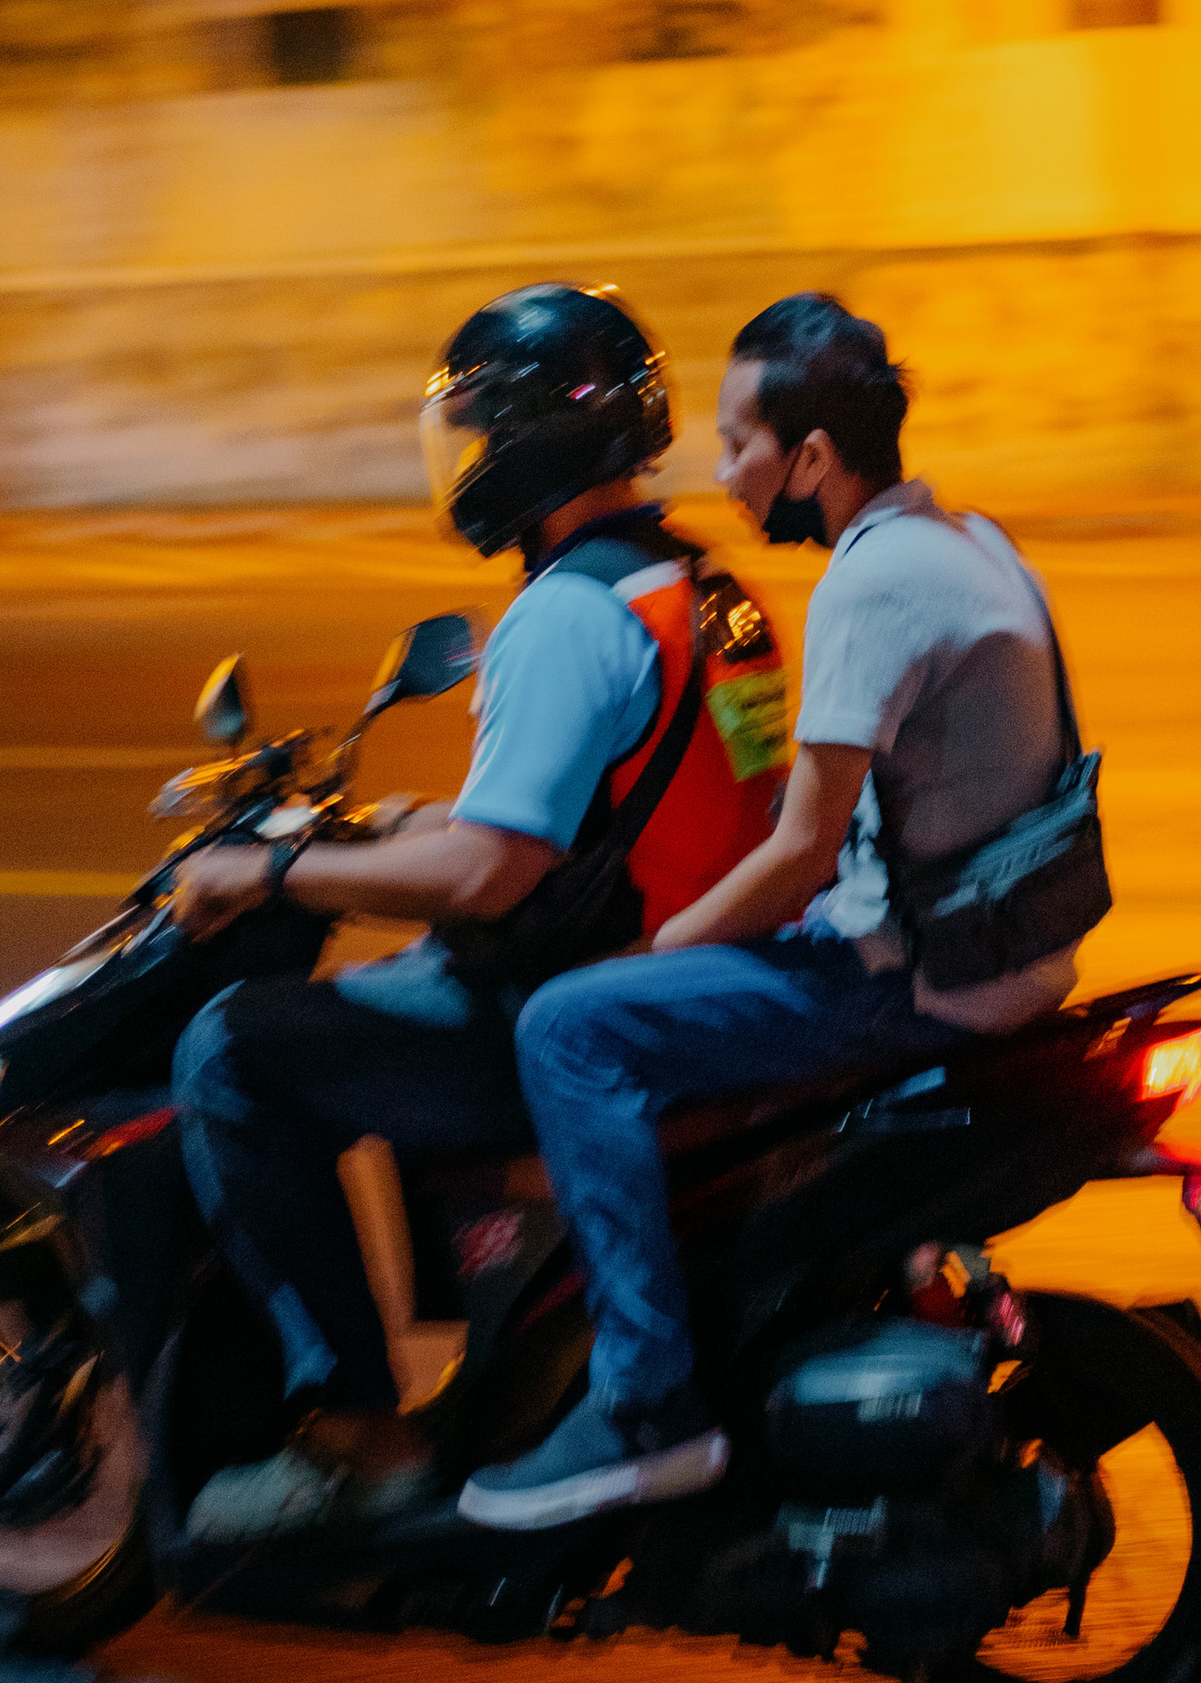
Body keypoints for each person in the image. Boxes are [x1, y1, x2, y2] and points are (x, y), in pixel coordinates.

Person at [458, 290, 1105, 1536]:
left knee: (571, 1029)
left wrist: (655, 954)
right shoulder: (971, 540)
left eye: (740, 444)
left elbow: (803, 850)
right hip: (1008, 950)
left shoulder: (872, 586)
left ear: (812, 458)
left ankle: (646, 1407)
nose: (720, 472)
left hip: (913, 975)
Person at [166, 281, 790, 1540]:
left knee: (232, 1050)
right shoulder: (707, 595)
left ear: (527, 440)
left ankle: (356, 1430)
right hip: (697, 978)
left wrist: (269, 873)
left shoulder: (562, 614)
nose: (463, 460)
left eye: (476, 428)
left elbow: (490, 878)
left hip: (570, 1009)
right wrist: (394, 824)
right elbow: (637, 807)